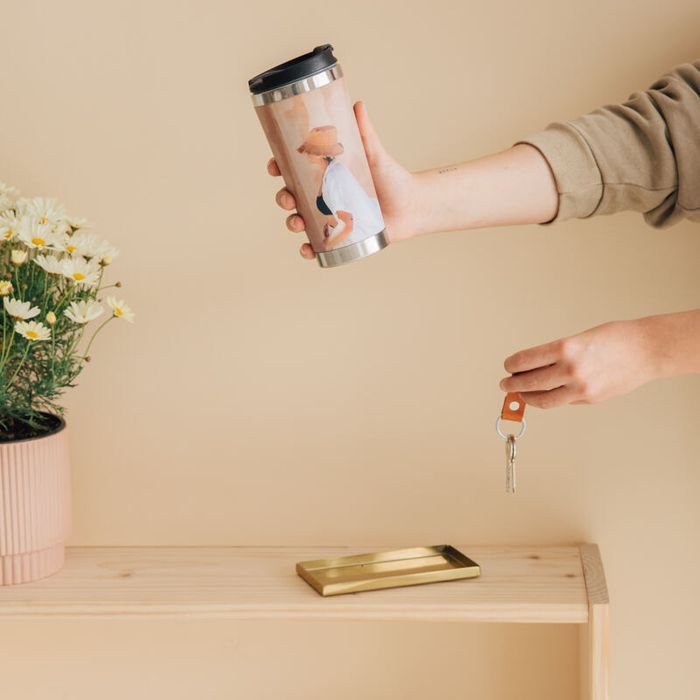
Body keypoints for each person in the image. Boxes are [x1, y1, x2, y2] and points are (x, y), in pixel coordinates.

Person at [267, 61, 700, 409]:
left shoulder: (336, 179)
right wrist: (419, 201)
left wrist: (651, 347)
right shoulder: (338, 178)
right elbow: (669, 138)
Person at [297, 125, 384, 251]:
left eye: (311, 150)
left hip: (354, 242)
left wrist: (327, 246)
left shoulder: (334, 177)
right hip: (346, 239)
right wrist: (330, 225)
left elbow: (347, 225)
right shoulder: (331, 170)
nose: (307, 153)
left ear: (321, 154)